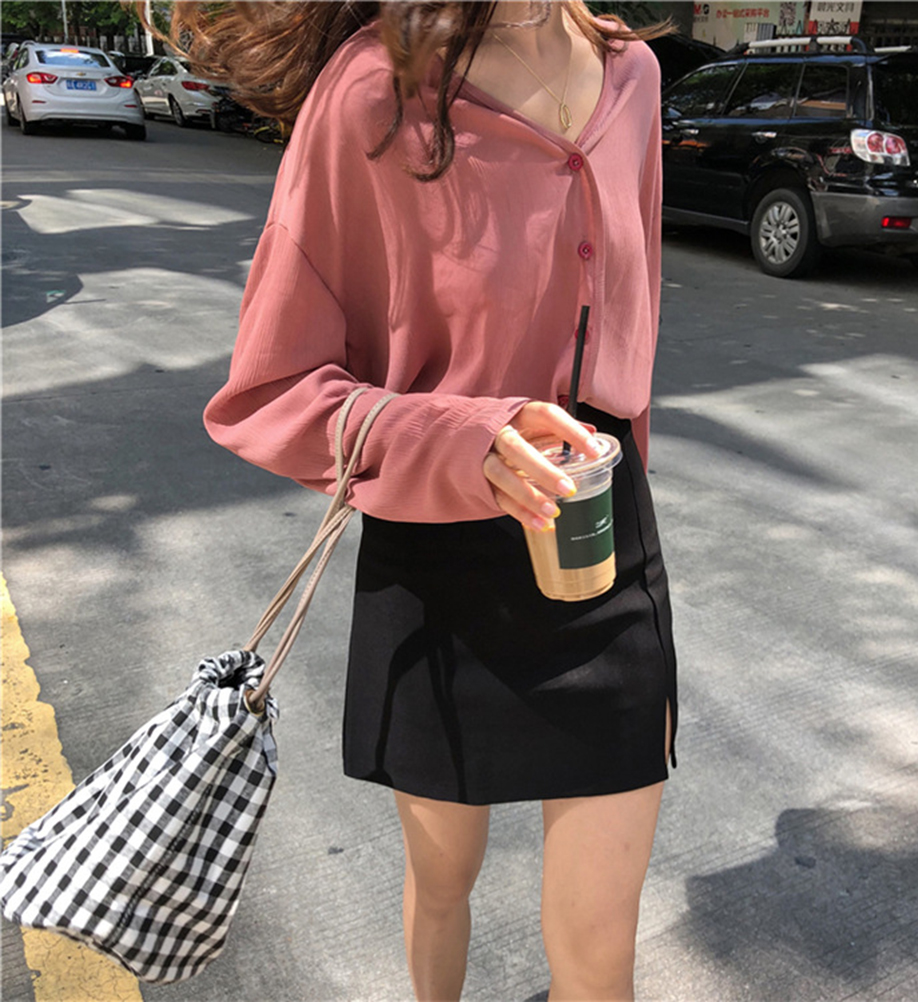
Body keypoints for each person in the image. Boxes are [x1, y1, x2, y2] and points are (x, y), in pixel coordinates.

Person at [168, 2, 678, 998]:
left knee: (599, 952)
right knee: (444, 883)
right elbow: (271, 388)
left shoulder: (632, 76)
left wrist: (619, 472)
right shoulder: (375, 88)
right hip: (443, 560)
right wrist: (459, 440)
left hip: (599, 538)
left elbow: (635, 305)